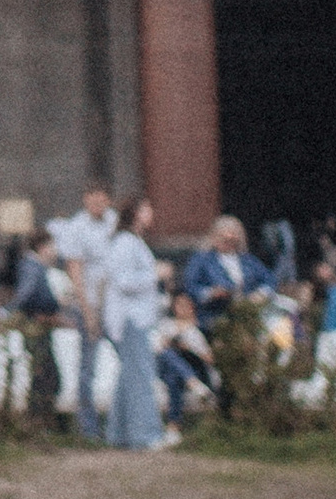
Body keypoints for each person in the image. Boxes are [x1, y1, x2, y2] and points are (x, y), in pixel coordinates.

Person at [47, 182, 119, 439]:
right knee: (88, 367)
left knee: (127, 360)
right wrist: (88, 312)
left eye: (103, 199)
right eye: (93, 199)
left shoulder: (114, 223)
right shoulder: (77, 228)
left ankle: (119, 424)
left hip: (115, 304)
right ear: (85, 200)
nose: (99, 204)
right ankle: (89, 430)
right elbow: (75, 271)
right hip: (90, 304)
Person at [102, 198, 169, 451]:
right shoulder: (124, 243)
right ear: (134, 214)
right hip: (129, 319)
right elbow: (123, 282)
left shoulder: (135, 243)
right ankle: (145, 434)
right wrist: (156, 274)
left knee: (128, 375)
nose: (150, 214)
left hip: (138, 317)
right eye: (145, 210)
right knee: (141, 375)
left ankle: (118, 433)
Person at [11, 230, 68, 420]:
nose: (55, 252)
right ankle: (38, 420)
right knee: (46, 376)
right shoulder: (33, 267)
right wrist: (9, 310)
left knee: (44, 375)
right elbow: (26, 294)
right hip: (35, 325)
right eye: (52, 247)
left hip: (41, 324)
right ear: (43, 247)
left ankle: (39, 420)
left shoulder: (36, 267)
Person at [179, 215, 265, 330]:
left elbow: (268, 278)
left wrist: (261, 293)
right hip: (214, 315)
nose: (229, 243)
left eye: (232, 240)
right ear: (214, 238)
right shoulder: (202, 260)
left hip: (248, 313)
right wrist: (210, 293)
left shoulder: (248, 260)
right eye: (225, 240)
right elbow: (189, 285)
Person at [154, 288, 215, 430]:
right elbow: (159, 348)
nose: (182, 309)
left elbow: (209, 358)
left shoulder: (198, 329)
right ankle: (193, 383)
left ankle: (173, 425)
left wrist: (189, 349)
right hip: (165, 363)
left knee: (173, 378)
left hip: (190, 365)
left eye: (186, 305)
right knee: (168, 354)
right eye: (179, 305)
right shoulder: (166, 325)